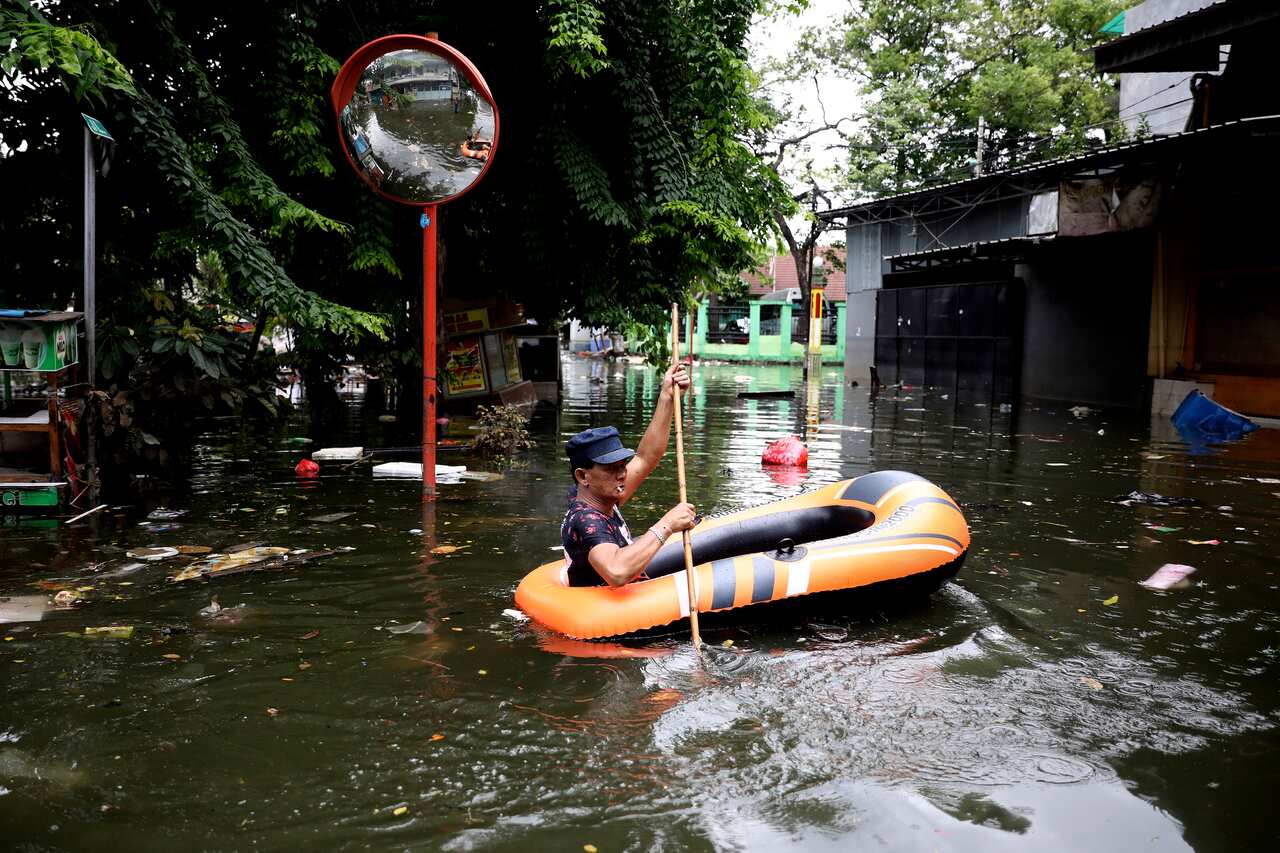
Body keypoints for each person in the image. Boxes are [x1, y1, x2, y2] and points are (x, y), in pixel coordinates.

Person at [561, 364, 697, 587]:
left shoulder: (599, 497)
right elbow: (616, 571)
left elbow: (645, 457)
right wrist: (667, 524)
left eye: (623, 465)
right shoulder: (586, 520)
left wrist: (667, 397)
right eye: (610, 467)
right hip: (606, 615)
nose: (622, 474)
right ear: (583, 476)